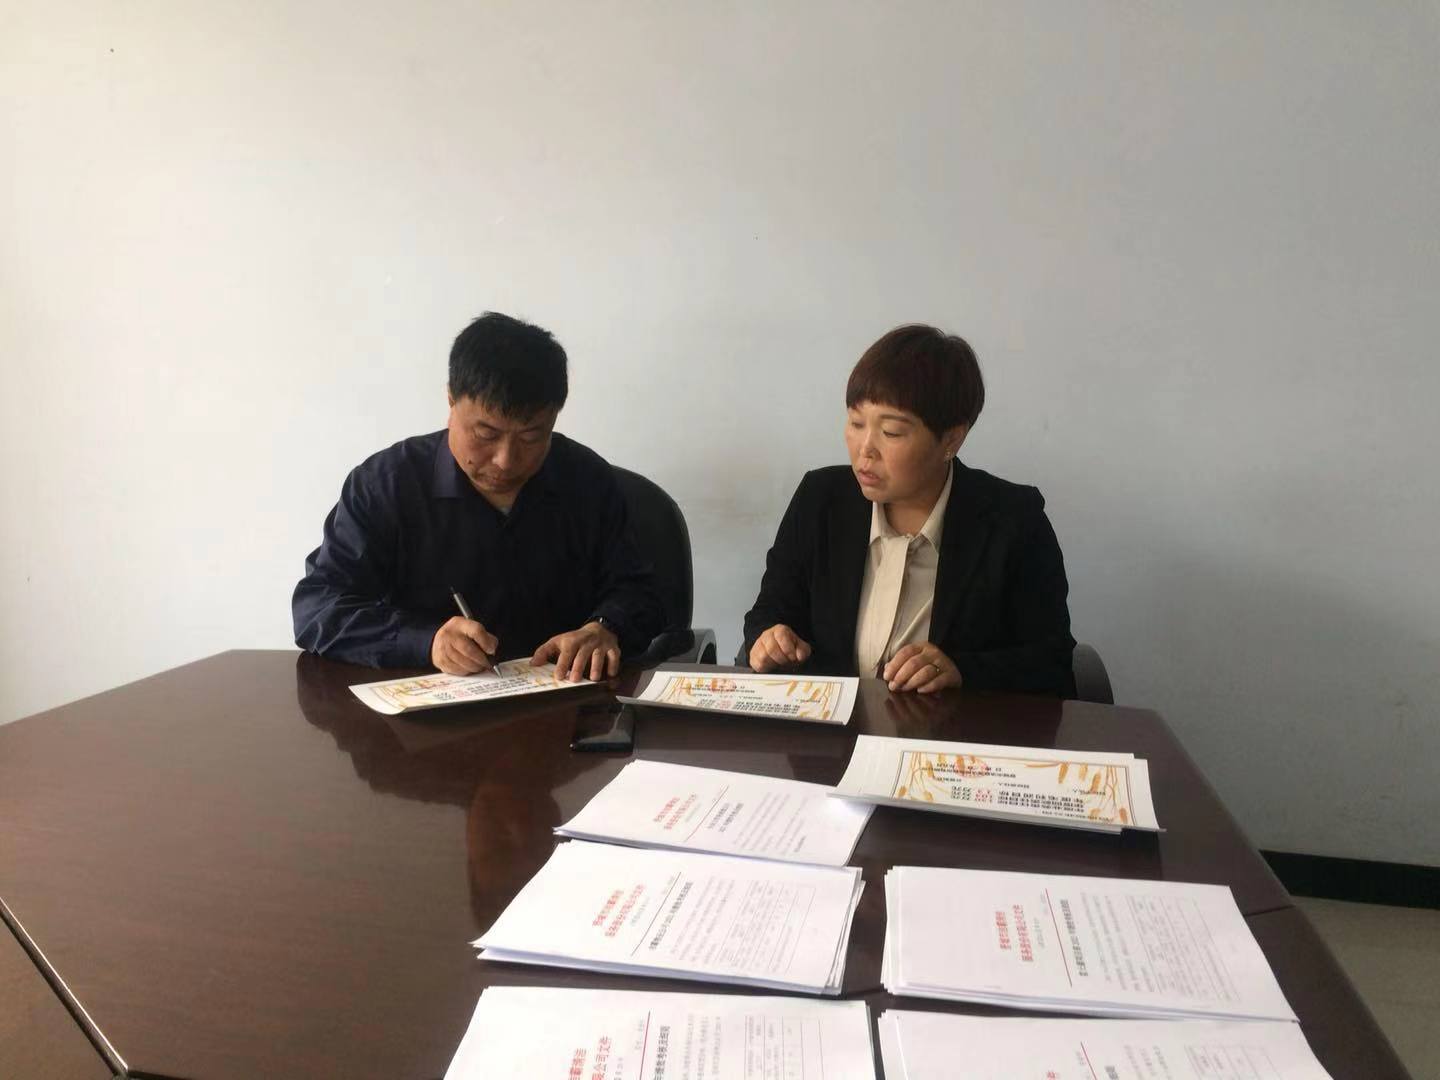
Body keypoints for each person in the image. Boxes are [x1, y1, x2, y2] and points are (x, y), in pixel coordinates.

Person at [293, 312, 665, 681]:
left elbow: (641, 591)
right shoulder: (385, 486)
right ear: (451, 400)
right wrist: (426, 641)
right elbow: (319, 609)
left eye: (532, 436)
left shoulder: (587, 481)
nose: (506, 460)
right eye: (486, 434)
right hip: (431, 707)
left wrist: (604, 627)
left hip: (567, 699)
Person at [742, 324, 1076, 696]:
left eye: (892, 432)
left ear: (951, 439)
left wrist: (962, 671)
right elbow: (768, 613)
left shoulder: (1013, 522)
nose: (865, 449)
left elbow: (1052, 665)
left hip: (948, 730)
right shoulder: (820, 500)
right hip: (830, 728)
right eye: (856, 423)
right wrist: (769, 639)